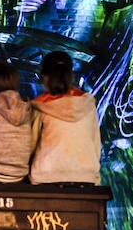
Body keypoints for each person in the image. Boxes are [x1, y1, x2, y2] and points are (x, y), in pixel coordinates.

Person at [29, 50, 101, 185]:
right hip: (85, 178)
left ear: (45, 77)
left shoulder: (40, 106)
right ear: (70, 75)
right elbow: (96, 144)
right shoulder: (87, 103)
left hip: (46, 177)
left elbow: (31, 146)